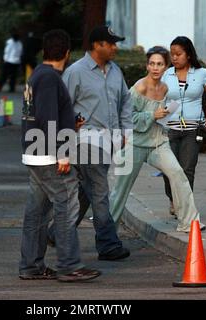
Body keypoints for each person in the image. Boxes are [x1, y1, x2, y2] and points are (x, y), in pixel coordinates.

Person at [19, 29, 101, 282]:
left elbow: (44, 116)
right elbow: (48, 118)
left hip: (36, 153)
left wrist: (70, 123)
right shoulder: (50, 78)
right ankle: (69, 265)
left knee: (38, 211)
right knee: (67, 205)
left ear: (45, 50)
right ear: (67, 52)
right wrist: (63, 154)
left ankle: (31, 265)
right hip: (49, 156)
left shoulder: (37, 76)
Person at [109, 46, 205, 233]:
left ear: (166, 67)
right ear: (147, 66)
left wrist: (166, 115)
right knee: (121, 189)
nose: (155, 68)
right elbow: (126, 117)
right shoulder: (139, 87)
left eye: (159, 64)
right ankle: (107, 230)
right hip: (134, 143)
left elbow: (163, 115)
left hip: (157, 142)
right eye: (152, 64)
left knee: (178, 174)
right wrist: (152, 115)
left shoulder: (165, 88)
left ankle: (189, 222)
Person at [61, 25, 132, 261]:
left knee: (86, 193)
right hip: (85, 142)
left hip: (108, 141)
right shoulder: (76, 72)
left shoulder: (115, 72)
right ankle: (108, 244)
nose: (115, 47)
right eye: (110, 43)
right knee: (100, 192)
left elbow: (125, 102)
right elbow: (62, 108)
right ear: (96, 45)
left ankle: (54, 232)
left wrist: (124, 131)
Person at [161, 36, 206, 215]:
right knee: (168, 169)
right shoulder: (166, 74)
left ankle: (184, 205)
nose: (174, 58)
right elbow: (160, 99)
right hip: (170, 128)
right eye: (172, 54)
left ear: (188, 54)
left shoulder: (202, 74)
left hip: (193, 129)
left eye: (178, 54)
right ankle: (173, 198)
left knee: (187, 169)